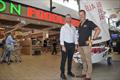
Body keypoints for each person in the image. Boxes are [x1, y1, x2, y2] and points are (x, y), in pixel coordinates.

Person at [78, 10, 101, 80]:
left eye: (82, 14)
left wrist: (92, 39)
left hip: (86, 45)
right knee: (83, 60)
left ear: (85, 15)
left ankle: (88, 75)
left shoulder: (89, 22)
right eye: (80, 14)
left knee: (88, 60)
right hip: (80, 45)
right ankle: (84, 73)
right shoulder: (80, 24)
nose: (81, 16)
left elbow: (98, 30)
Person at [60, 14, 78, 80]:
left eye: (69, 18)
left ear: (71, 19)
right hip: (65, 45)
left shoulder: (74, 28)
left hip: (72, 45)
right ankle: (62, 73)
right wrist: (62, 46)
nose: (68, 19)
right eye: (67, 18)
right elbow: (61, 37)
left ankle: (69, 71)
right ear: (65, 19)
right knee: (63, 60)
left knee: (70, 59)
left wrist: (76, 45)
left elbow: (75, 37)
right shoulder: (63, 27)